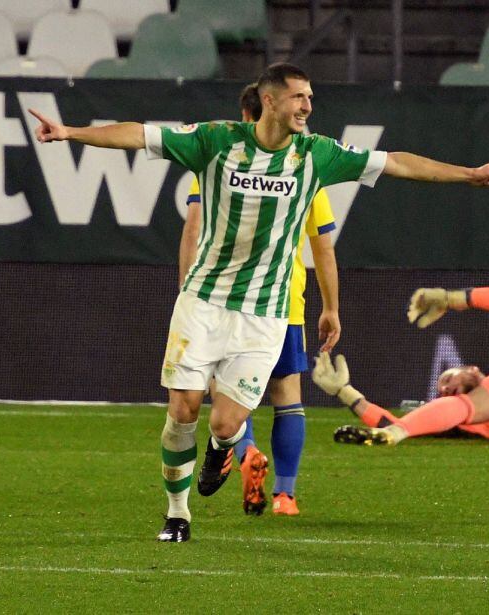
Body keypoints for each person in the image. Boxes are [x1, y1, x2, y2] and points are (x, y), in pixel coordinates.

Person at [29, 62, 489, 543]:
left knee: (226, 422)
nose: (308, 105)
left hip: (265, 314)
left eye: (309, 97)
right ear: (270, 100)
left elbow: (397, 163)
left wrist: (468, 174)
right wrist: (71, 132)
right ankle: (177, 514)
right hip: (203, 301)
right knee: (182, 410)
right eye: (299, 97)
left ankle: (223, 449)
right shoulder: (216, 141)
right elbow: (140, 136)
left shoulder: (316, 155)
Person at [179, 83, 338, 517]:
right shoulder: (305, 167)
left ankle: (244, 450)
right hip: (282, 302)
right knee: (288, 395)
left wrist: (188, 294)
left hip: (219, 300)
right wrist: (331, 307)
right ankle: (286, 494)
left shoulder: (215, 163)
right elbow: (323, 245)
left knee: (222, 391)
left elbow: (192, 231)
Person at [312, 286, 489, 448]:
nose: (445, 388)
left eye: (446, 378)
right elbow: (400, 421)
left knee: (478, 403)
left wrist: (451, 299)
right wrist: (345, 392)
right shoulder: (475, 424)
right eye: (443, 390)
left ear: (471, 369)